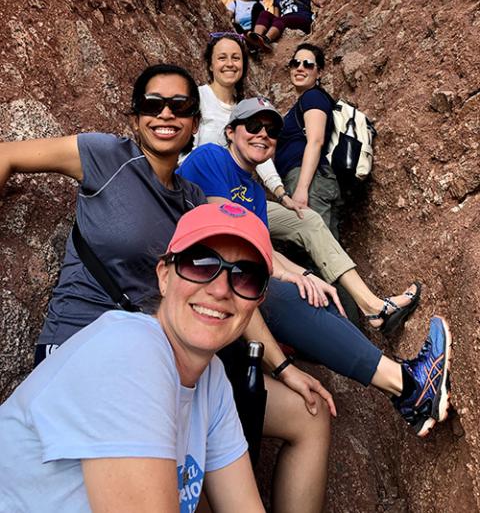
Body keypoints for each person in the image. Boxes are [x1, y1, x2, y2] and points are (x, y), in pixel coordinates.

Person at [0, 64, 334, 513]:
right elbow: (8, 154)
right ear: (135, 116)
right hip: (84, 344)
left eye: (181, 106)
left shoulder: (193, 200)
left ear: (196, 123)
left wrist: (283, 365)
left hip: (170, 353)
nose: (166, 114)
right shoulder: (105, 156)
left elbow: (231, 274)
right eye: (152, 105)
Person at [178, 97, 452, 438]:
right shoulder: (212, 158)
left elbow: (257, 245)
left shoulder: (254, 191)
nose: (263, 134)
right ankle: (409, 385)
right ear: (231, 132)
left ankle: (404, 390)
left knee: (316, 295)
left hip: (221, 276)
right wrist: (287, 275)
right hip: (194, 275)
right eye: (253, 126)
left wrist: (305, 275)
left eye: (272, 129)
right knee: (274, 293)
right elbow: (234, 238)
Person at [0, 203, 273, 512]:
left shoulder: (212, 379)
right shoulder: (129, 349)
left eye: (245, 277)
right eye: (200, 264)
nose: (221, 289)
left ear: (257, 301)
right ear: (164, 276)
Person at [195, 33, 421, 335]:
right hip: (204, 198)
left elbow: (263, 159)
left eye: (236, 57)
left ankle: (370, 306)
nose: (229, 63)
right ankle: (325, 328)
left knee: (309, 220)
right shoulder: (198, 98)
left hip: (245, 199)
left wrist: (281, 194)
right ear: (209, 63)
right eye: (222, 57)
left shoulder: (247, 108)